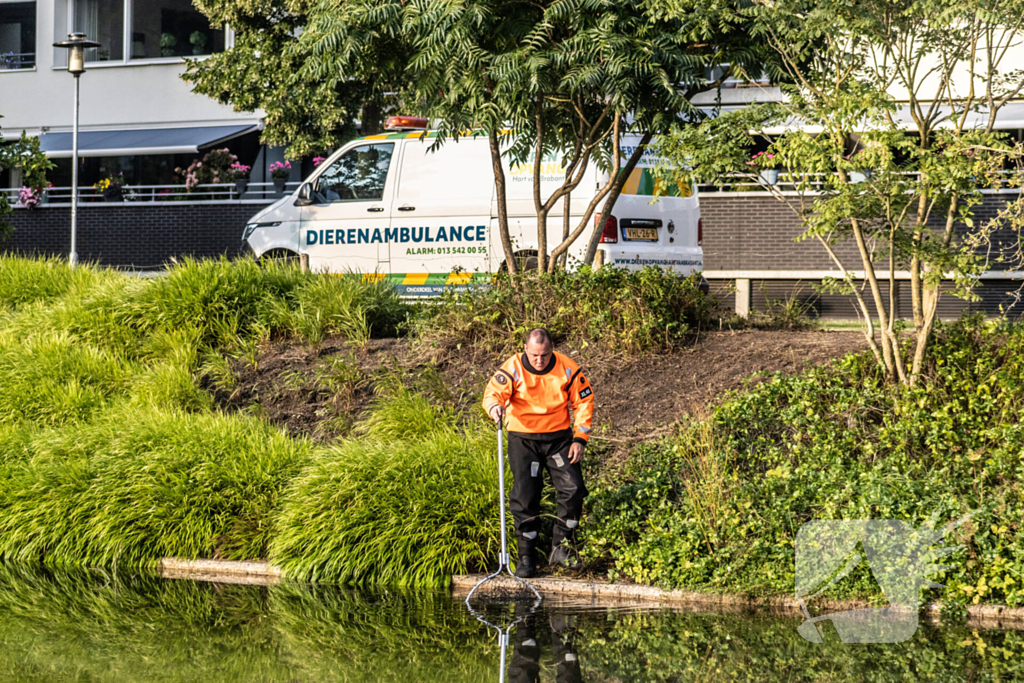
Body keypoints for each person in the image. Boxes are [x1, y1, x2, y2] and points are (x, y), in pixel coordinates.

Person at [482, 328, 594, 578]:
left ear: (552, 349)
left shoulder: (567, 368)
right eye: (534, 355)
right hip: (523, 439)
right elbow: (492, 394)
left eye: (544, 355)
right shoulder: (512, 368)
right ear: (525, 350)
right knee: (525, 495)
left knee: (573, 489)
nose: (539, 361)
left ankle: (561, 547)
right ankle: (526, 557)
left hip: (559, 439)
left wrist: (580, 439)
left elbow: (584, 401)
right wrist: (494, 408)